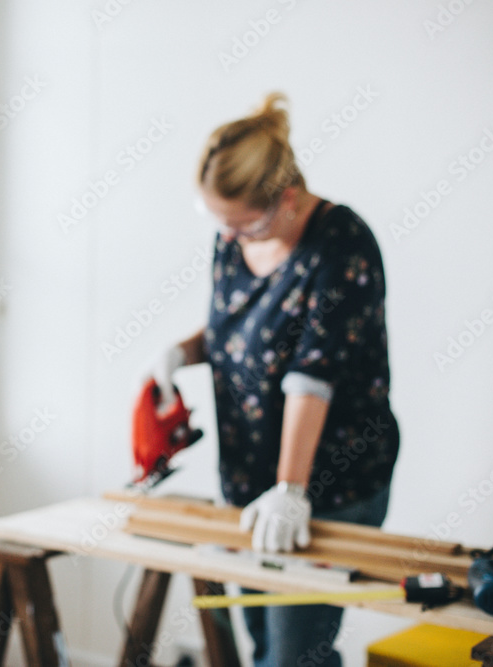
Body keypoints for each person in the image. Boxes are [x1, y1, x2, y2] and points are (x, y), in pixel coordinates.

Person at [150, 92, 400, 666]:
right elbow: (235, 330)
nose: (229, 239)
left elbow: (313, 374)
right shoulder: (235, 238)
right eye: (221, 225)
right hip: (248, 480)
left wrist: (291, 491)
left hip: (329, 484)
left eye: (242, 225)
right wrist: (182, 352)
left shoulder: (342, 244)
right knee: (264, 643)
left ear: (286, 200)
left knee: (294, 657)